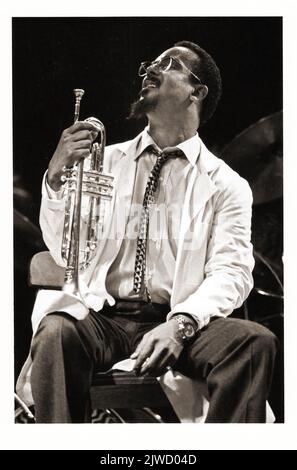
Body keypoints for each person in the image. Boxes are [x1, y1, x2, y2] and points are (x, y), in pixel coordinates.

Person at [24, 40, 277, 423]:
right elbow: (65, 252)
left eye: (169, 64)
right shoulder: (105, 161)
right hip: (105, 318)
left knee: (254, 343)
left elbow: (232, 273)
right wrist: (57, 178)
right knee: (55, 332)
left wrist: (181, 324)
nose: (150, 70)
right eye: (149, 65)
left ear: (198, 91)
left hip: (179, 317)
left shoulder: (227, 184)